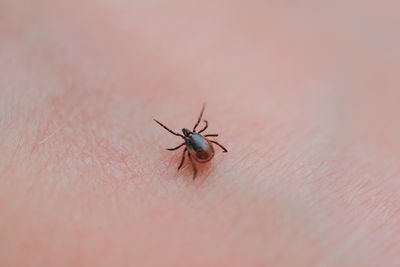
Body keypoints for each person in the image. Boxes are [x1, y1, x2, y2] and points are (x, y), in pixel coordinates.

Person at [1, 0, 399, 266]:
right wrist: (209, 152)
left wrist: (197, 158)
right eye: (191, 136)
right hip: (210, 154)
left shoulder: (191, 144)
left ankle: (193, 173)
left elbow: (196, 144)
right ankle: (195, 172)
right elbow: (205, 141)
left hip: (206, 156)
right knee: (199, 155)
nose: (190, 136)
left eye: (191, 134)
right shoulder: (199, 140)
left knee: (193, 159)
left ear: (193, 136)